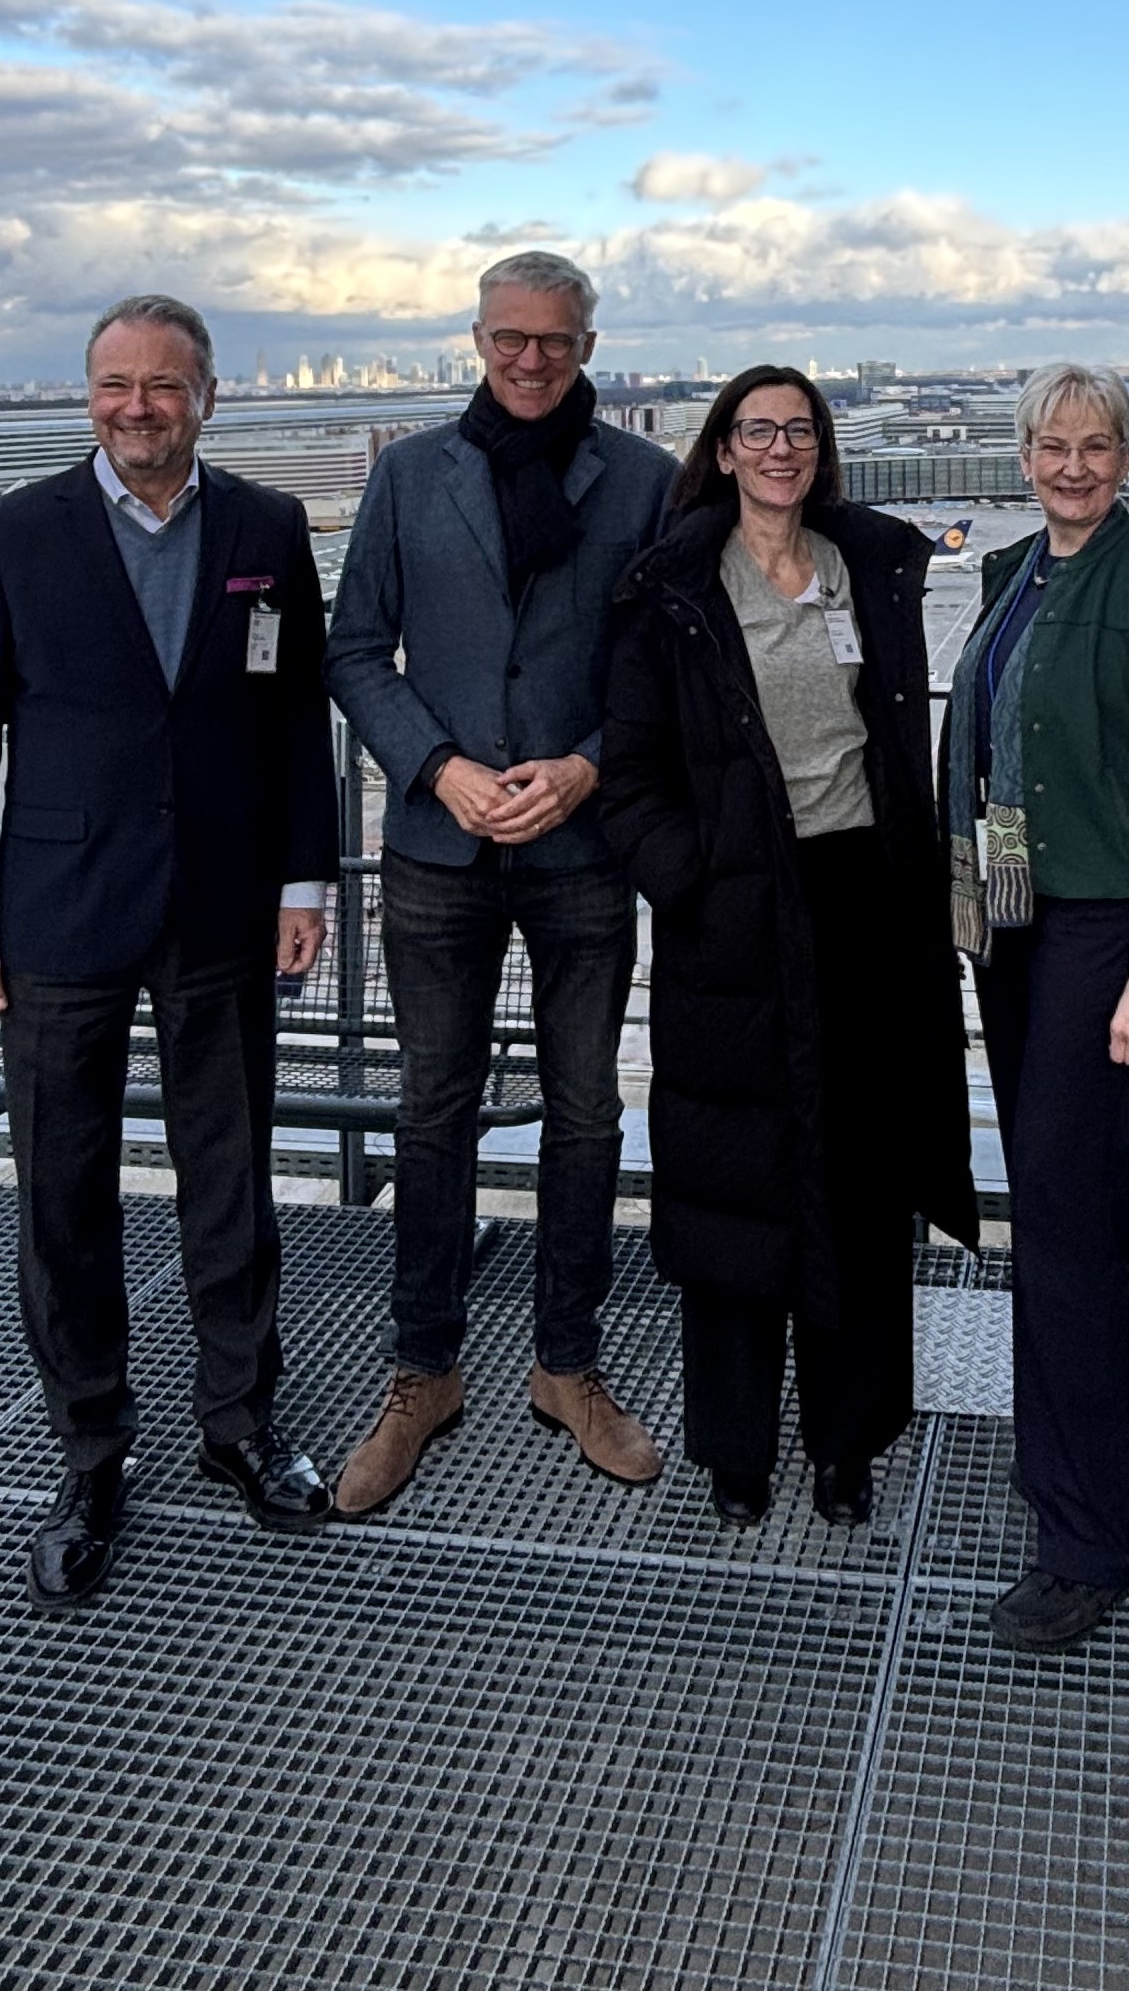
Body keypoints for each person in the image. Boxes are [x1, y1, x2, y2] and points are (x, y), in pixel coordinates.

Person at [0, 293, 341, 1608]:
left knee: (233, 1175)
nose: (138, 407)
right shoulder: (11, 533)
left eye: (164, 385)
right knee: (64, 1191)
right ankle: (92, 1451)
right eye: (116, 384)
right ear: (88, 394)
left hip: (222, 902)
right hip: (58, 910)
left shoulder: (267, 529)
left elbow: (295, 723)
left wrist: (306, 878)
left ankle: (240, 1423)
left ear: (207, 395)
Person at [598, 368, 983, 1527]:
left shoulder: (867, 563)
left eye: (799, 431)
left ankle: (847, 1442)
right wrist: (694, 883)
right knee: (736, 1181)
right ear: (721, 450)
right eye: (757, 431)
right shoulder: (670, 589)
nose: (780, 449)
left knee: (861, 1184)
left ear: (821, 448)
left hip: (865, 905)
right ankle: (737, 1449)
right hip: (734, 919)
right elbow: (630, 777)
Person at [323, 250, 672, 1514]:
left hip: (582, 852)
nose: (531, 360)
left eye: (555, 341)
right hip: (442, 845)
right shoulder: (410, 473)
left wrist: (588, 768)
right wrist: (439, 767)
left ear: (589, 347)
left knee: (586, 1116)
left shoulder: (643, 480)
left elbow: (666, 669)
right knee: (433, 1113)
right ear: (476, 340)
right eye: (509, 339)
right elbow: (354, 650)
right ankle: (423, 1372)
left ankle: (566, 1365)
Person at [942, 362, 1129, 1652]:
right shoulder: (1016, 574)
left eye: (1096, 446)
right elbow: (998, 759)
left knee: (1056, 1223)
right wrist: (976, 916)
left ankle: (1088, 1536)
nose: (1073, 467)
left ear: (1126, 455)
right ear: (1023, 456)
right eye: (1052, 446)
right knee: (1089, 1198)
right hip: (1018, 927)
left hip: (1106, 938)